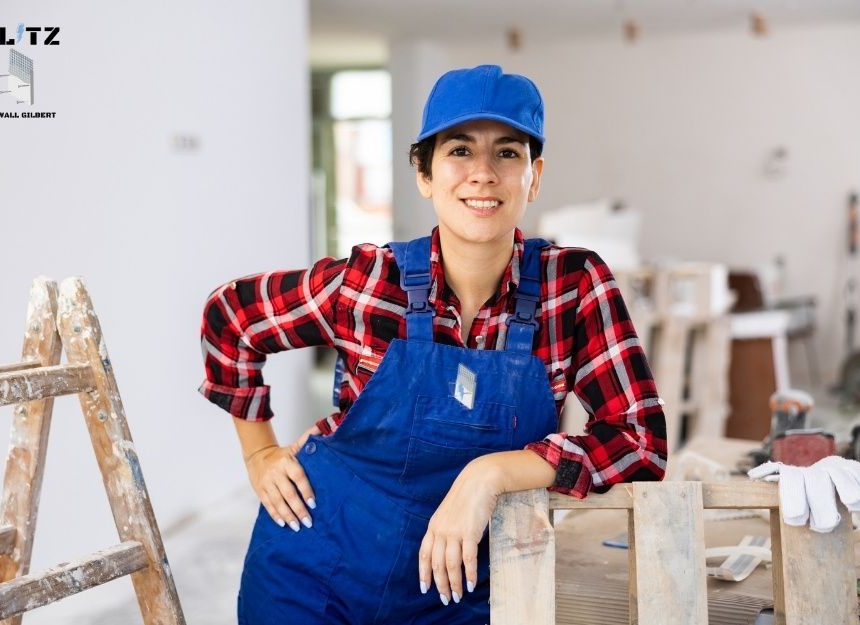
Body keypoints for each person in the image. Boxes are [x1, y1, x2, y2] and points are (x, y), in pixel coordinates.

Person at [199, 64, 667, 625]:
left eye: (508, 153)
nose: (483, 174)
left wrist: (491, 473)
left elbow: (640, 442)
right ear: (424, 173)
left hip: (462, 588)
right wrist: (259, 453)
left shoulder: (573, 286)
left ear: (534, 176)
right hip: (312, 572)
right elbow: (230, 316)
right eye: (460, 151)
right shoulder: (371, 282)